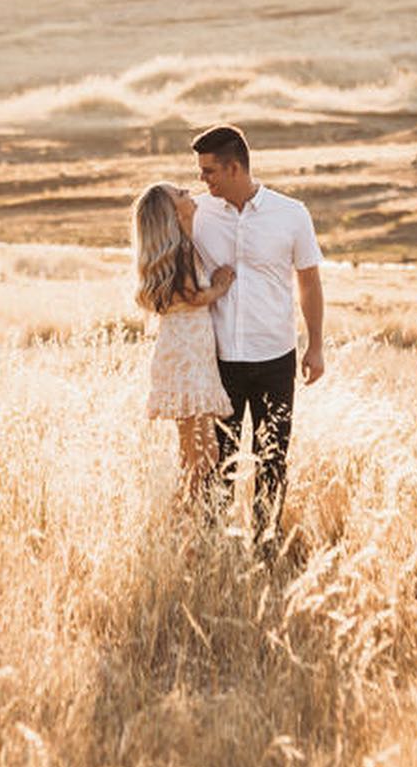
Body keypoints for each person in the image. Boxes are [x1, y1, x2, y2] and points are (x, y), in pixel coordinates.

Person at [190, 124, 325, 546]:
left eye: (209, 171)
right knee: (221, 461)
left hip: (275, 358)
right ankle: (218, 547)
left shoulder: (291, 214)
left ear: (234, 168)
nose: (202, 179)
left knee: (272, 459)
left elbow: (309, 281)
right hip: (221, 360)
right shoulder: (195, 213)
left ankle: (267, 545)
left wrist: (316, 346)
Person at [132, 181, 236, 505]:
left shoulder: (182, 247)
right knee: (204, 455)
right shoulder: (183, 250)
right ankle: (182, 520)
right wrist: (221, 284)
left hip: (185, 355)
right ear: (172, 214)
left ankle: (183, 521)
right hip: (186, 359)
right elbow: (194, 296)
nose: (189, 192)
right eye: (180, 194)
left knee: (194, 453)